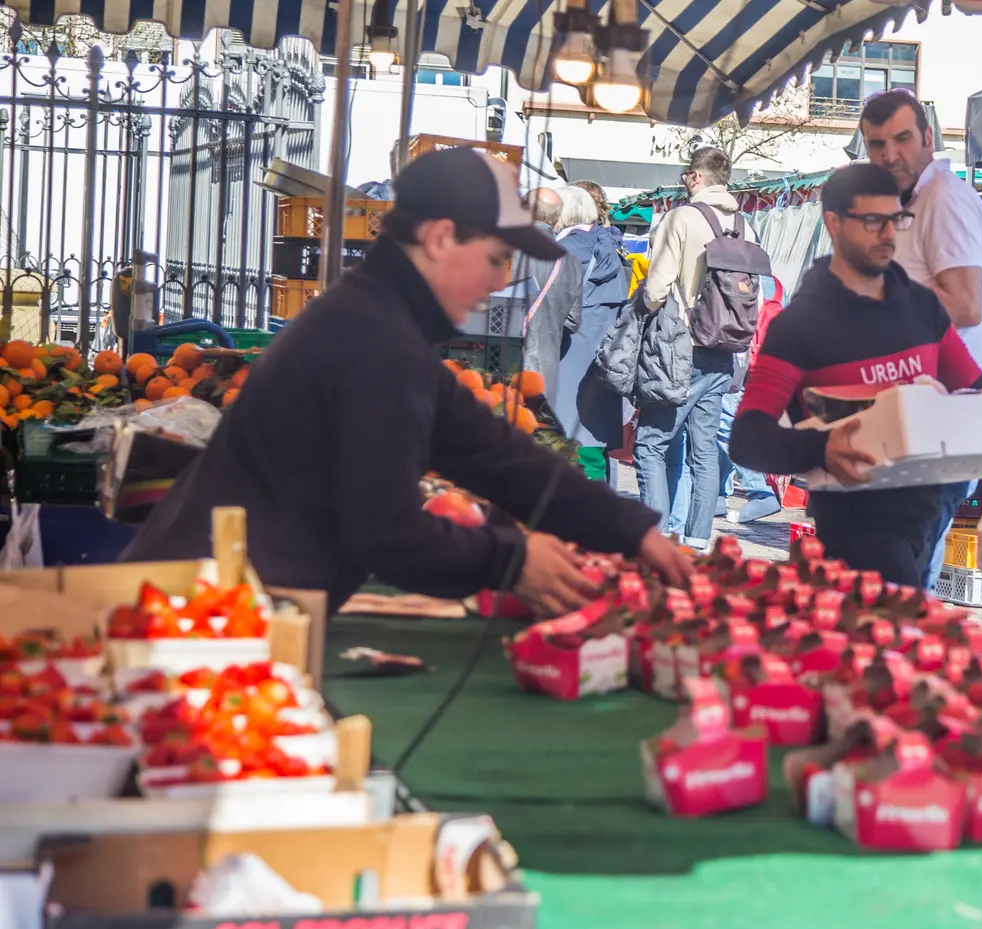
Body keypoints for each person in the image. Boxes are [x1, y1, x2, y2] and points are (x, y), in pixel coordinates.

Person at [123, 147, 689, 612]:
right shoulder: (369, 338)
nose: (498, 283)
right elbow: (383, 532)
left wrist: (631, 530)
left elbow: (491, 452)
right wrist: (511, 560)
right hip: (201, 617)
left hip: (237, 599)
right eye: (496, 259)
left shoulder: (380, 321)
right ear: (441, 238)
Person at [730, 164, 982, 586]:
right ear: (833, 223)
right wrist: (822, 447)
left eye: (897, 220)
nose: (889, 234)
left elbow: (975, 388)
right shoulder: (799, 326)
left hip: (927, 517)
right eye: (873, 221)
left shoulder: (922, 308)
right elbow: (747, 438)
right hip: (855, 532)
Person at [858, 88, 982, 584]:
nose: (889, 154)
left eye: (901, 139)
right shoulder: (912, 205)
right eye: (877, 143)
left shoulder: (944, 201)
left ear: (927, 137)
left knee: (896, 581)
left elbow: (965, 302)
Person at [636, 146, 748, 548]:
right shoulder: (742, 223)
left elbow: (655, 288)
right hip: (723, 346)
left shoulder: (682, 217)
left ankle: (656, 537)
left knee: (651, 444)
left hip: (679, 347)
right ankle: (698, 540)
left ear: (696, 177)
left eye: (686, 174)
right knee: (703, 453)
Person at [554, 187, 630, 475]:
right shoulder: (612, 248)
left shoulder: (566, 250)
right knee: (594, 439)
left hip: (568, 350)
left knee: (564, 435)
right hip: (607, 355)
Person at [720, 274, 784, 525]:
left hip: (740, 364)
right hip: (766, 368)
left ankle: (760, 492)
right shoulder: (776, 286)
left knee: (725, 426)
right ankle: (717, 494)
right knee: (724, 423)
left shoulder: (736, 277)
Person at [510, 187, 580, 412]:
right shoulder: (571, 262)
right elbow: (572, 321)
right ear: (557, 219)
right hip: (545, 368)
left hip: (501, 359)